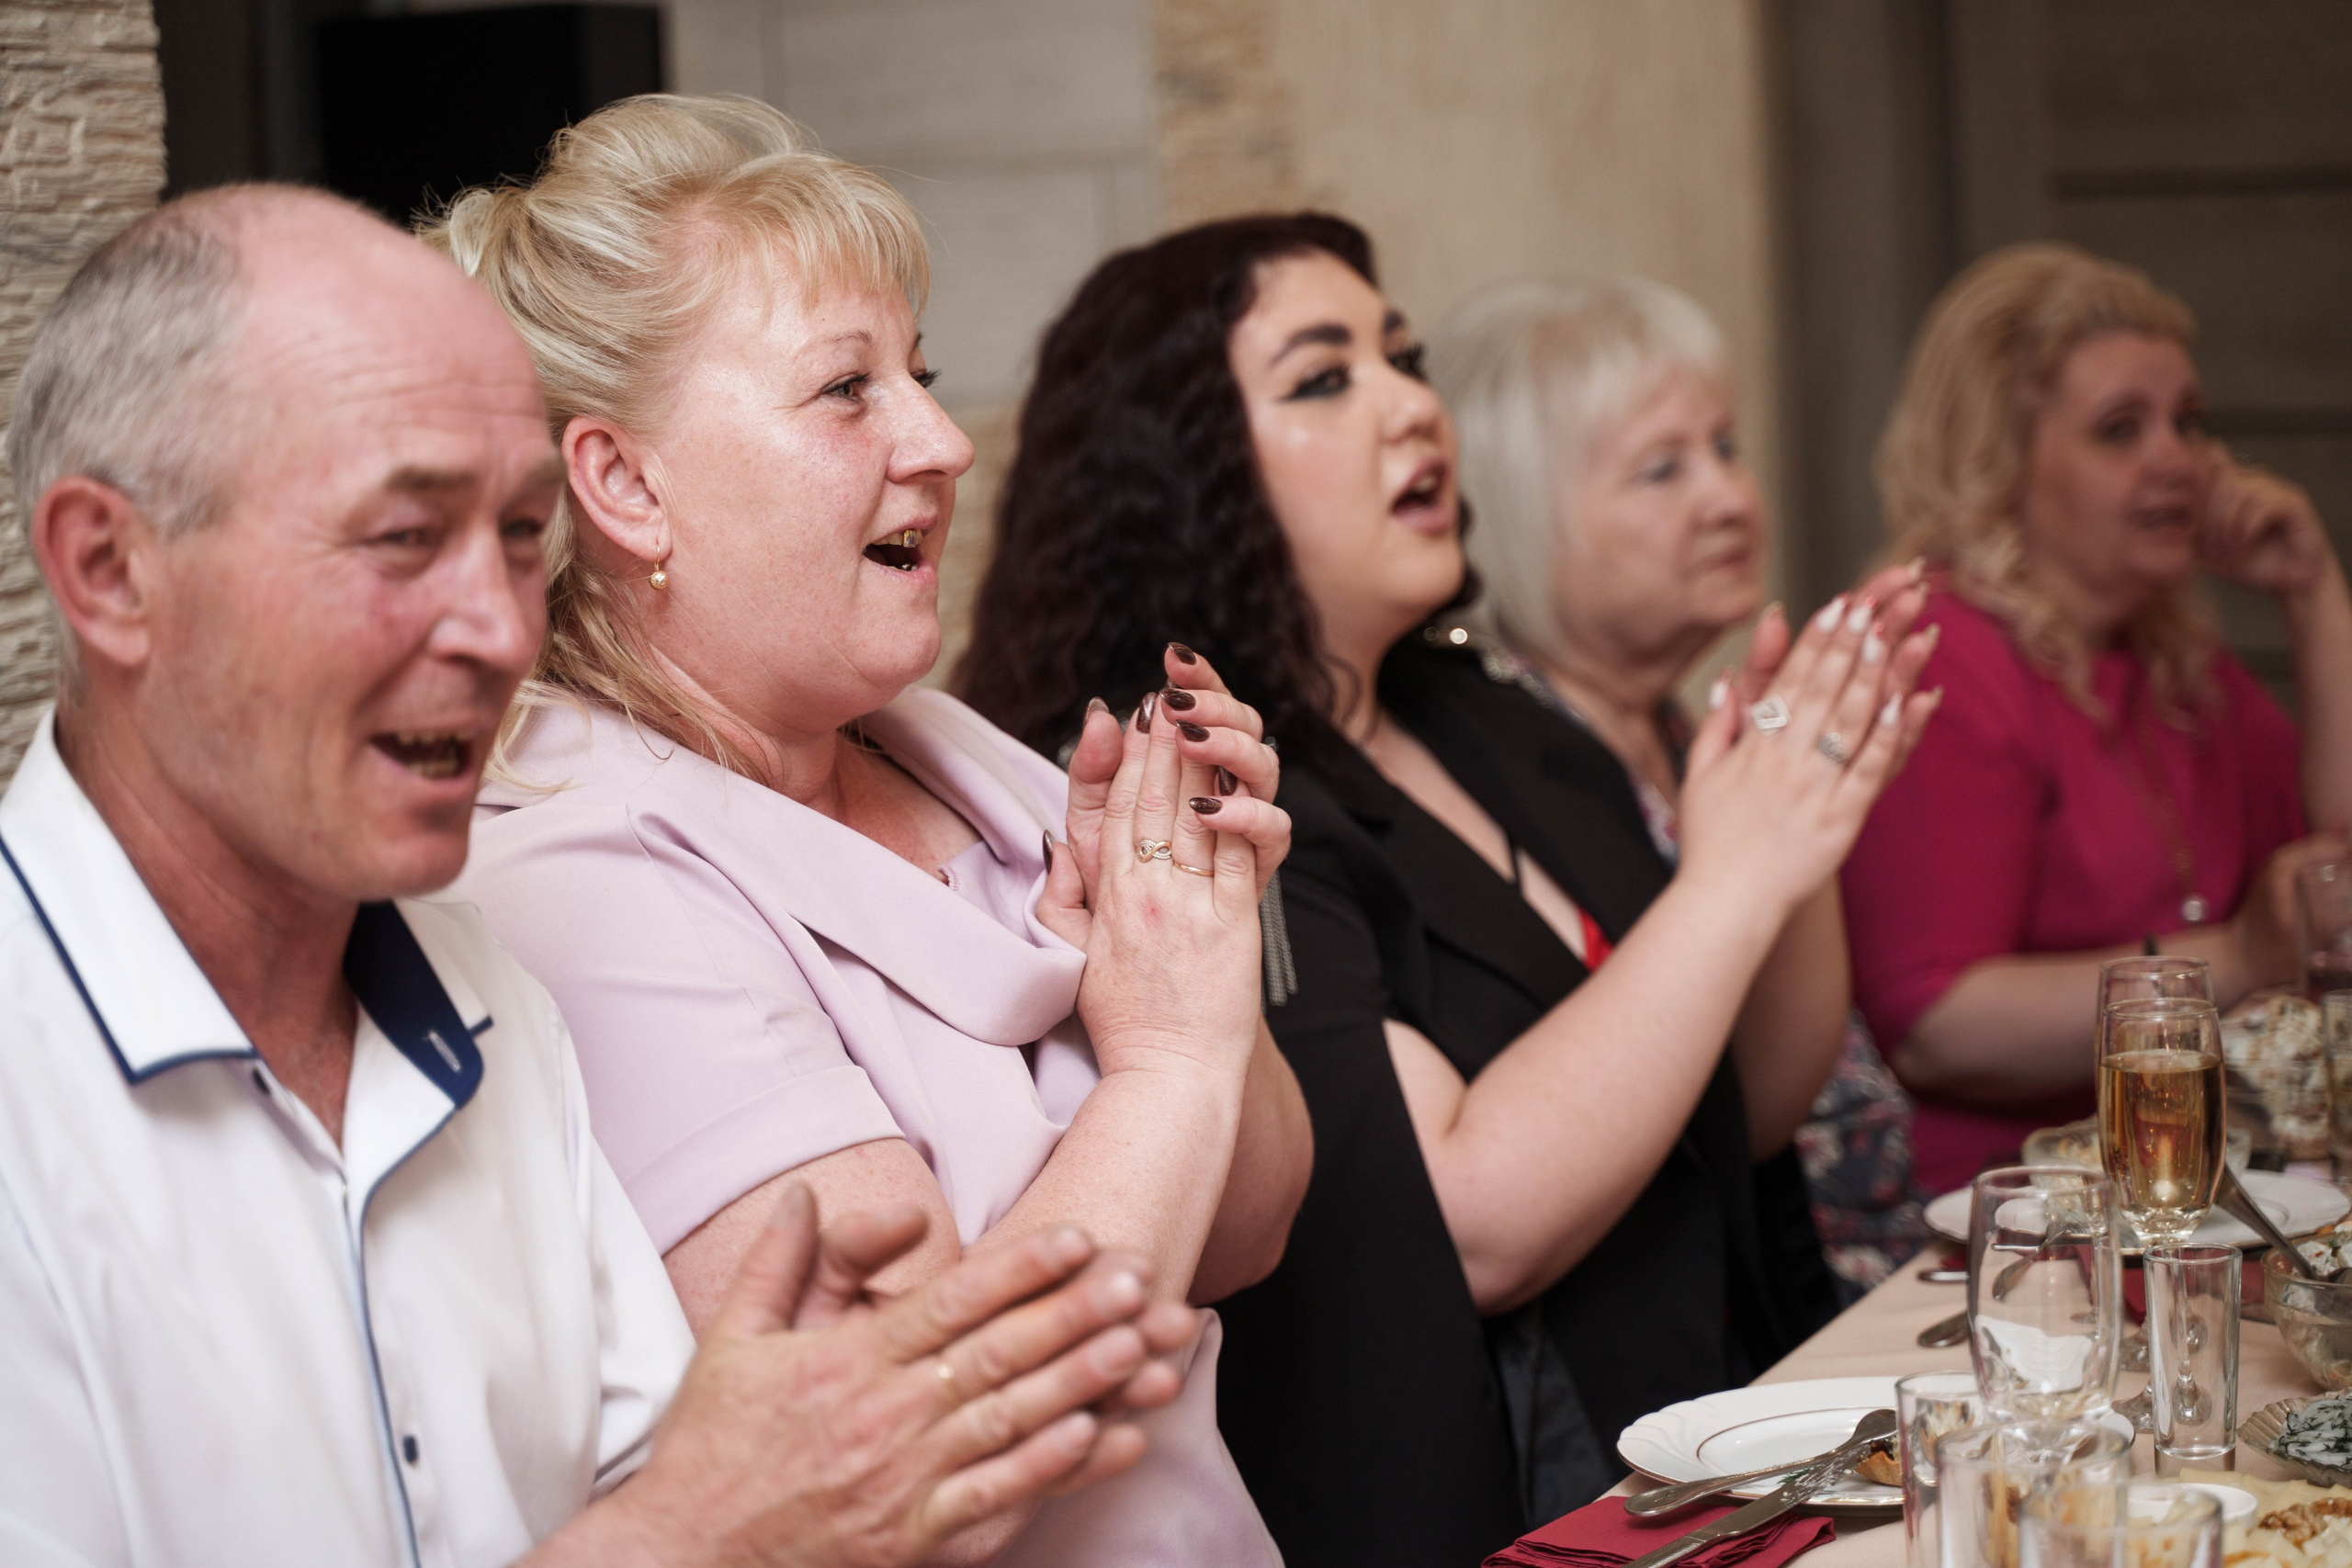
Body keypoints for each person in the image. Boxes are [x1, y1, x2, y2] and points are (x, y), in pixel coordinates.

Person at [0, 184, 1198, 1568]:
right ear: (109, 569)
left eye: (519, 537)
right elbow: (721, 1508)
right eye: (401, 536)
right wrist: (697, 1534)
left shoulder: (486, 993)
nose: (499, 627)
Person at [956, 213, 1939, 1566]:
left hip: (1740, 1449)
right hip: (1534, 1510)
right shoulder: (1200, 788)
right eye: (1326, 376)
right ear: (1183, 469)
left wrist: (1794, 838)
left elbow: (1745, 1100)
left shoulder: (1495, 716)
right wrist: (1734, 874)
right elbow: (1467, 1212)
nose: (1413, 404)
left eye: (1402, 357)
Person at [432, 96, 1304, 1567]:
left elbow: (1249, 1225)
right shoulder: (568, 870)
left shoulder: (951, 747)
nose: (946, 441)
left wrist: (1200, 948)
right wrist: (1159, 1057)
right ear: (628, 484)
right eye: (848, 391)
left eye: (924, 371)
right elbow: (923, 1440)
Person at [1427, 277, 1928, 1299]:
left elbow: (1781, 1082)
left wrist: (1804, 804)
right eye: (1662, 470)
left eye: (1727, 449)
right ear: (1518, 516)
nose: (1730, 499)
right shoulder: (1495, 760)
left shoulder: (1674, 721)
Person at [1841, 243, 2352, 1195]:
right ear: (1999, 464)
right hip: (2005, 1217)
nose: (2181, 462)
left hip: (2195, 1186)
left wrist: (2315, 595)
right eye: (2121, 430)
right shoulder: (1941, 653)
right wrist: (2232, 961)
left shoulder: (2172, 655)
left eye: (2190, 423)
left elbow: (2338, 860)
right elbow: (1935, 1025)